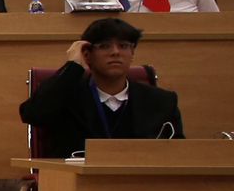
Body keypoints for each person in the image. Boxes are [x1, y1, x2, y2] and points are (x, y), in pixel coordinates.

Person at [18, 17, 184, 158]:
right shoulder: (64, 97)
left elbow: (178, 154)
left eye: (123, 46)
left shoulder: (162, 102)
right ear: (87, 55)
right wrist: (73, 66)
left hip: (141, 183)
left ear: (132, 53)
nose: (115, 52)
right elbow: (33, 114)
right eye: (105, 46)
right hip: (78, 183)